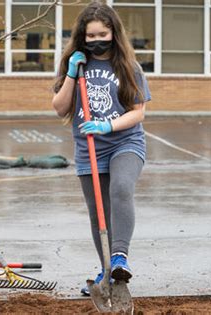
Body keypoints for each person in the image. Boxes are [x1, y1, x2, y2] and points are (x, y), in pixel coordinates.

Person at [52, 1, 151, 296]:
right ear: (82, 36)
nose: (96, 41)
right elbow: (59, 108)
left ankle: (120, 256)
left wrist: (108, 126)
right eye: (90, 36)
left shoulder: (128, 66)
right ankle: (107, 271)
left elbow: (138, 112)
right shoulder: (75, 64)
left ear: (114, 33)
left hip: (125, 142)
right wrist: (71, 73)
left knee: (120, 188)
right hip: (89, 149)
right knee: (99, 214)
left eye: (102, 34)